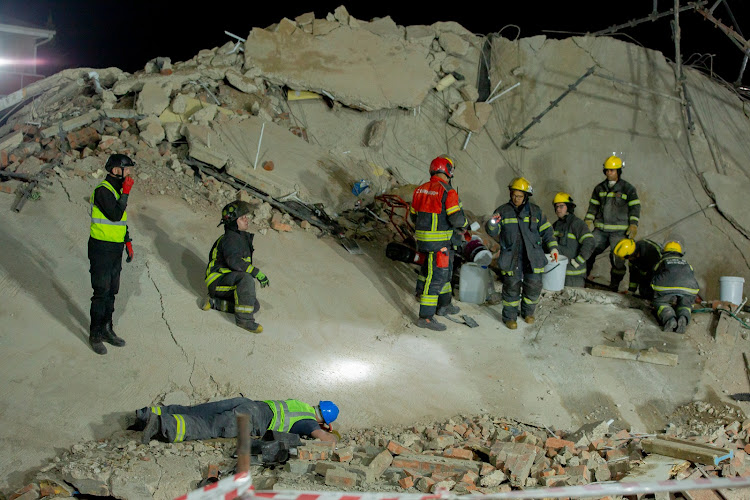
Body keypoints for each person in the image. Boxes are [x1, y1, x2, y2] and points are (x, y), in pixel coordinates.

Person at [486, 177, 559, 329]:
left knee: (533, 285)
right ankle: (510, 317)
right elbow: (492, 231)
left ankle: (528, 313)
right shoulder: (503, 211)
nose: (516, 198)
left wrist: (553, 248)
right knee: (511, 286)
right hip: (512, 257)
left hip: (533, 256)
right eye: (513, 195)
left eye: (519, 196)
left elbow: (547, 232)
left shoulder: (536, 211)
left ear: (526, 196)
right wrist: (493, 223)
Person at [409, 155, 468, 331]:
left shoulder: (420, 190)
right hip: (440, 243)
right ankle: (425, 317)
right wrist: (466, 224)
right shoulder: (447, 191)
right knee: (437, 278)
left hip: (424, 241)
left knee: (443, 272)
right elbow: (456, 219)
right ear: (448, 170)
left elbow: (413, 216)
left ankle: (444, 305)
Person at [88, 153, 136, 355]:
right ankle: (95, 335)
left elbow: (120, 222)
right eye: (127, 170)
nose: (130, 174)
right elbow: (115, 215)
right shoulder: (103, 191)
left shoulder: (116, 191)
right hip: (101, 249)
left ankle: (108, 330)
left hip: (115, 249)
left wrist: (127, 242)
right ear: (117, 170)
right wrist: (125, 193)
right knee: (101, 292)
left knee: (112, 291)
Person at [137, 398, 339, 444]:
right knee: (207, 426)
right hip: (250, 419)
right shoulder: (309, 421)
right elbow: (321, 436)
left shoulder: (300, 404)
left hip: (247, 403)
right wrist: (332, 438)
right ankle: (159, 425)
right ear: (324, 421)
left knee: (198, 411)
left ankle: (147, 414)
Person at [203, 201, 269, 333]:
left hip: (228, 281)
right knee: (245, 279)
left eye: (245, 216)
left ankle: (215, 303)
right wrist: (256, 272)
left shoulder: (239, 238)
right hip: (217, 282)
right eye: (242, 218)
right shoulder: (230, 238)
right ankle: (245, 321)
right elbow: (235, 262)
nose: (246, 219)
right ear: (233, 222)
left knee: (253, 305)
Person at [584, 154, 641, 291]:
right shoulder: (599, 188)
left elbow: (635, 207)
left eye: (612, 170)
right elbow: (593, 206)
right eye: (607, 170)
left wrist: (633, 224)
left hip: (619, 231)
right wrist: (588, 220)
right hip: (600, 230)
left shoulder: (628, 189)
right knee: (587, 250)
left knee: (618, 258)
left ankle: (614, 285)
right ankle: (583, 278)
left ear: (618, 172)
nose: (609, 173)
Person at [650, 240, 699, 333]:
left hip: (665, 286)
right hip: (689, 287)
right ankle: (683, 317)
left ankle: (669, 318)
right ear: (680, 252)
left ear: (665, 251)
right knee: (685, 304)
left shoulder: (663, 261)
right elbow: (691, 274)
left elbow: (653, 273)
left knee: (661, 302)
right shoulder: (687, 263)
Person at [551, 192, 594, 287]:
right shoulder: (556, 225)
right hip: (559, 273)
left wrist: (578, 261)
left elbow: (589, 242)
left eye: (561, 206)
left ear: (569, 208)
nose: (558, 209)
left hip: (574, 276)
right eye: (556, 206)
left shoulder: (577, 224)